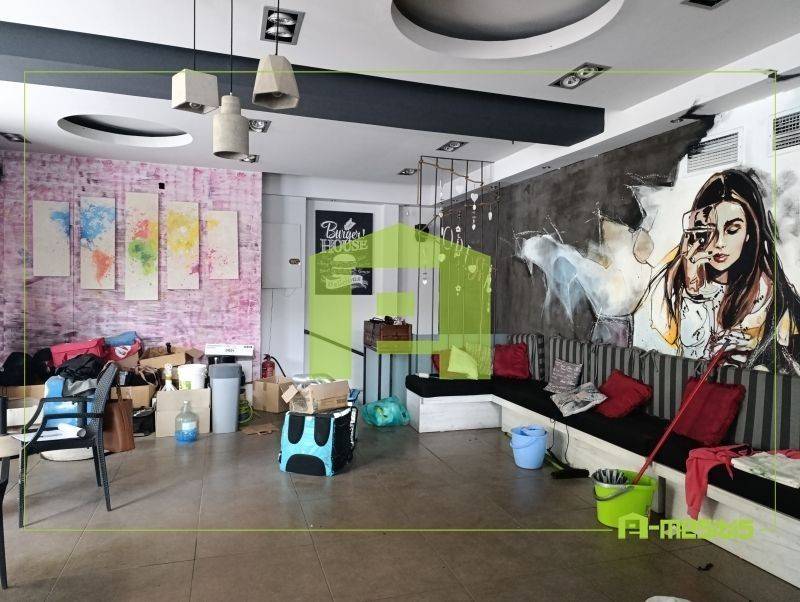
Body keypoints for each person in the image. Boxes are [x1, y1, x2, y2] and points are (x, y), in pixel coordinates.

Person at [633, 169, 800, 373]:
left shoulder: (767, 291)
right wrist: (693, 290)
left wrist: (751, 358)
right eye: (710, 229)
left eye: (732, 230)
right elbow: (657, 363)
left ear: (749, 232)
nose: (719, 243)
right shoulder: (668, 282)